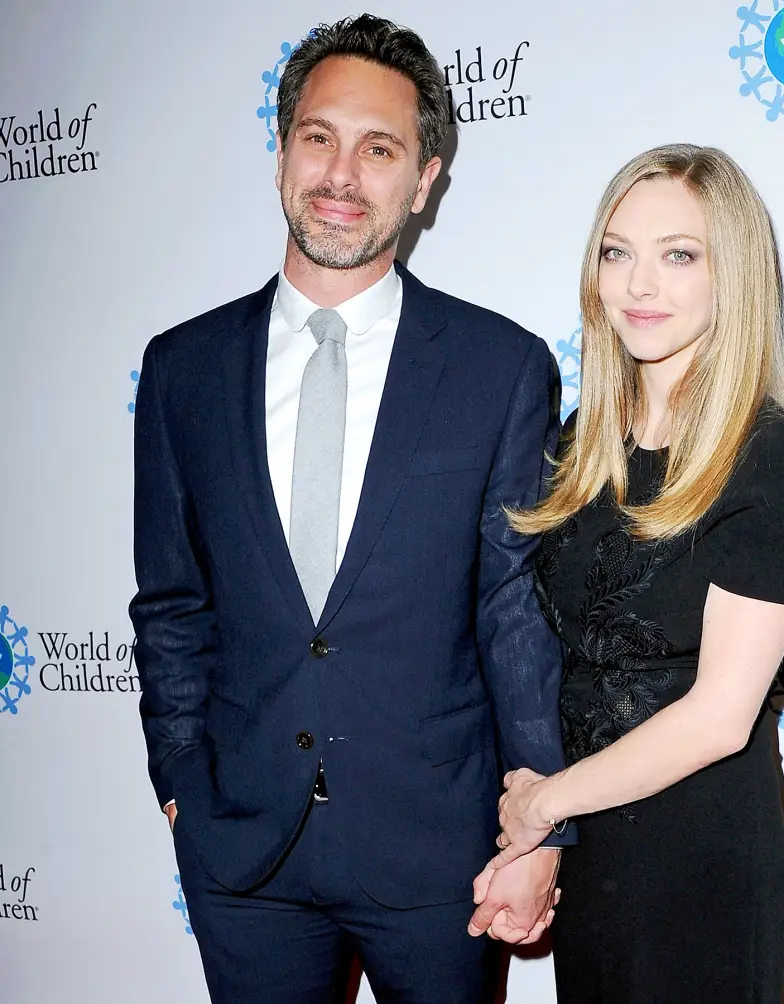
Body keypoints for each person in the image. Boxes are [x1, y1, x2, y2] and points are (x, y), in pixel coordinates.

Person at [129, 15, 571, 1004]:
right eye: (319, 137)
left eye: (380, 150)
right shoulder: (181, 369)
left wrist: (538, 827)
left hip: (438, 847)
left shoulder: (500, 368)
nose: (341, 175)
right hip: (244, 855)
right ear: (281, 151)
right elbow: (170, 603)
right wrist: (178, 788)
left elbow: (515, 617)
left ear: (423, 181)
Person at [474, 144, 784, 1003]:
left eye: (679, 255)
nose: (640, 283)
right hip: (591, 853)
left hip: (698, 859)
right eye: (617, 251)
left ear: (731, 274)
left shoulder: (772, 461)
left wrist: (544, 804)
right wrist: (540, 833)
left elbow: (716, 719)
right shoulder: (576, 449)